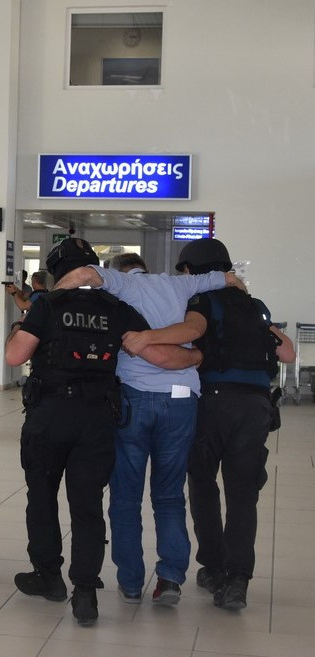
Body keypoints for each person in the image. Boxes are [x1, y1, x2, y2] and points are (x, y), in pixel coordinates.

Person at [5, 238, 201, 625]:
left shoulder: (48, 305)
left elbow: (15, 355)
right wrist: (197, 356)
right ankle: (85, 593)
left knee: (42, 496)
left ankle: (48, 576)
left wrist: (22, 326)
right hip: (96, 419)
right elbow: (160, 356)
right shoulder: (117, 309)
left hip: (50, 415)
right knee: (88, 504)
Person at [54, 250, 243, 605]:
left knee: (126, 497)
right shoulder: (179, 284)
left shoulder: (120, 283)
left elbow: (83, 274)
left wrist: (46, 306)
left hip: (134, 399)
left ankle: (130, 582)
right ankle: (170, 579)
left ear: (119, 271)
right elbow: (230, 279)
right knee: (169, 495)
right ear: (145, 268)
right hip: (182, 399)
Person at [121, 238, 295, 611]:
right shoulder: (255, 306)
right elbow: (287, 352)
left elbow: (191, 331)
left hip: (214, 404)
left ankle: (213, 568)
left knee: (203, 486)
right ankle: (238, 579)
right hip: (256, 407)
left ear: (191, 271)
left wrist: (148, 337)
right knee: (243, 494)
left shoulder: (202, 300)